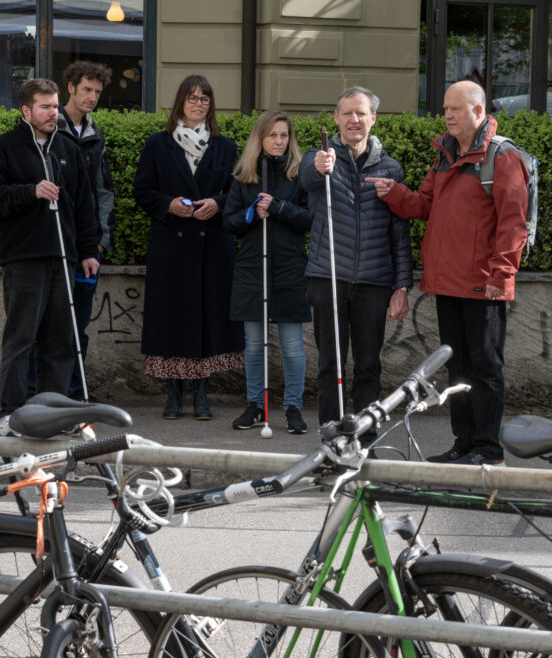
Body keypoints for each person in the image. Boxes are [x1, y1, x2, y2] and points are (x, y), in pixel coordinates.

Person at [366, 80, 528, 466]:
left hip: (482, 283)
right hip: (448, 281)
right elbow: (424, 205)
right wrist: (394, 193)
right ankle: (464, 445)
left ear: (478, 111)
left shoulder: (502, 157)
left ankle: (488, 450)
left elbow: (513, 223)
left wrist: (501, 274)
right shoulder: (444, 154)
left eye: (455, 109)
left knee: (485, 368)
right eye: (444, 109)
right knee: (458, 367)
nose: (448, 115)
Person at [0, 78, 100, 433]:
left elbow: (84, 205)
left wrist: (89, 250)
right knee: (21, 338)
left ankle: (53, 412)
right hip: (25, 257)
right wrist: (30, 191)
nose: (53, 113)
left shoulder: (68, 148)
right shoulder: (3, 148)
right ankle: (12, 413)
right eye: (45, 107)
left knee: (61, 339)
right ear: (26, 110)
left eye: (55, 105)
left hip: (64, 257)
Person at [299, 86, 412, 436]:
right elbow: (305, 177)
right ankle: (332, 437)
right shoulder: (320, 157)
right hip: (327, 276)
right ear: (336, 118)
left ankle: (365, 437)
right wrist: (319, 167)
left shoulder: (390, 168)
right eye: (347, 113)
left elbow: (400, 232)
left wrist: (402, 286)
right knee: (330, 363)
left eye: (361, 113)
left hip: (374, 283)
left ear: (373, 118)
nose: (354, 120)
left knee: (368, 365)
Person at [133, 75, 243, 420]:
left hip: (212, 244)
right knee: (172, 318)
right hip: (172, 244)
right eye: (192, 98)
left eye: (205, 98)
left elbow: (239, 192)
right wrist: (167, 204)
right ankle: (172, 394)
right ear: (180, 102)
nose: (198, 103)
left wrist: (217, 202)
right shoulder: (158, 144)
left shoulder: (225, 146)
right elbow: (142, 190)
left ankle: (201, 394)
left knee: (208, 316)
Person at [27, 60, 115, 401]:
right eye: (87, 90)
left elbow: (103, 192)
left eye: (97, 92)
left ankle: (76, 395)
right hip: (52, 244)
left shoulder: (94, 135)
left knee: (78, 326)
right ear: (71, 89)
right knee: (44, 325)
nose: (92, 97)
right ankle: (37, 396)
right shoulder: (48, 125)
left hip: (87, 249)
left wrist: (101, 242)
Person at [223, 110, 313, 435]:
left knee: (291, 345)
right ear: (260, 138)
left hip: (289, 266)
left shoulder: (300, 174)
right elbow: (229, 221)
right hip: (251, 266)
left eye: (284, 136)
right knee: (253, 343)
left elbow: (310, 219)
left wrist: (278, 208)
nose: (279, 141)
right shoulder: (244, 176)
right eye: (273, 135)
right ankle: (255, 404)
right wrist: (251, 213)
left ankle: (293, 407)